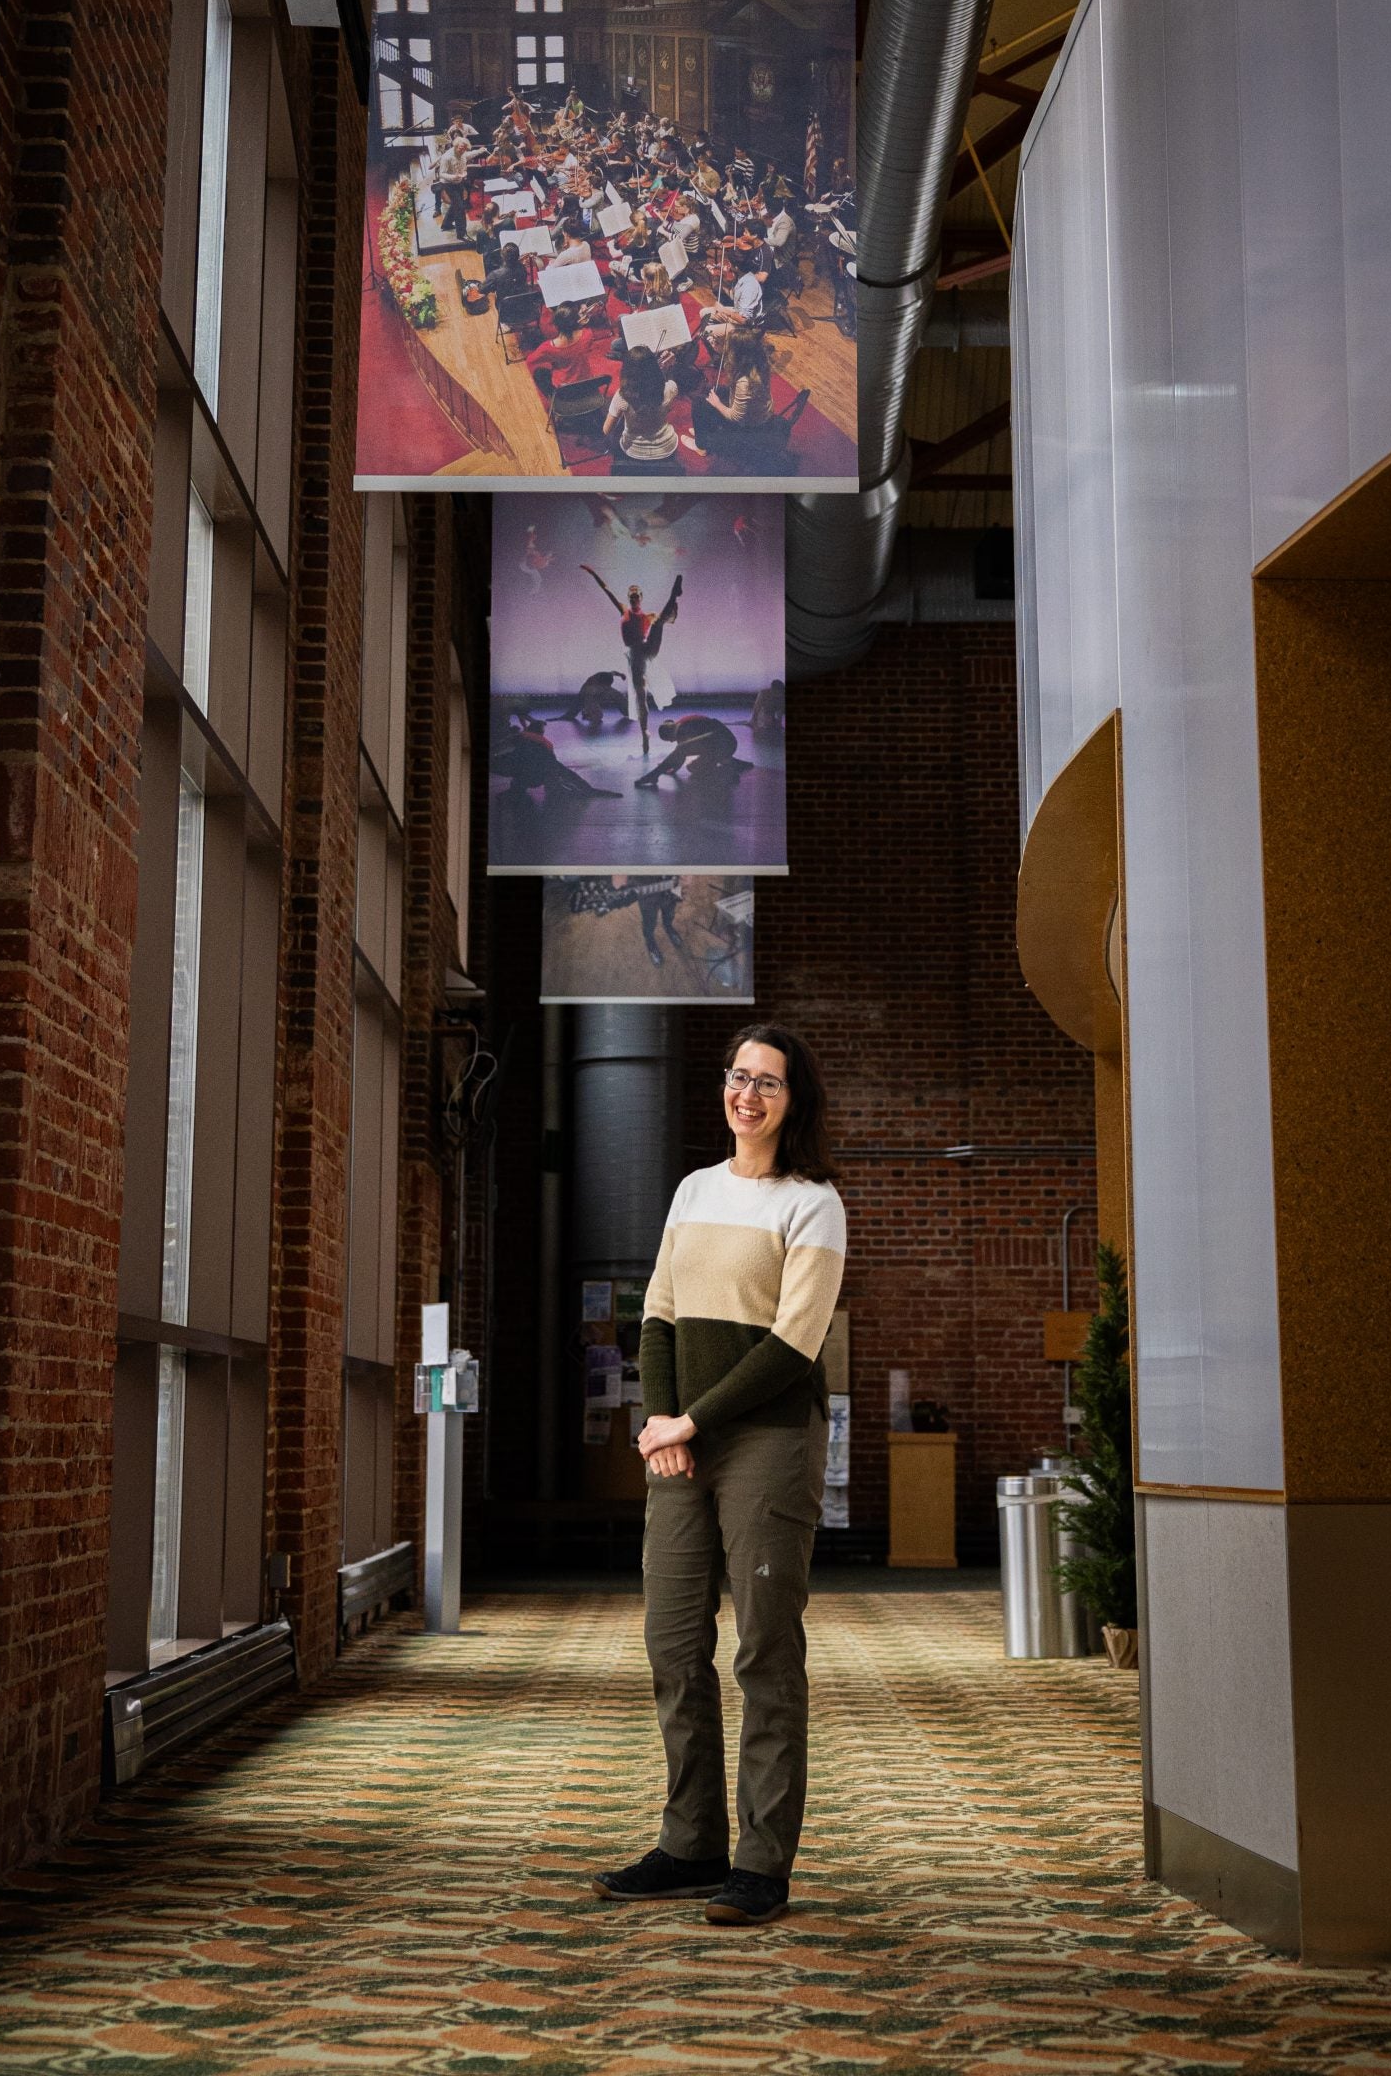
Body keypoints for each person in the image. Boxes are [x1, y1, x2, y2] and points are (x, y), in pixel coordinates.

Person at [593, 1024, 846, 1927]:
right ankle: (689, 1842)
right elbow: (656, 1312)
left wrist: (690, 1420)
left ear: (793, 1101)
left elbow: (792, 1344)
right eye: (738, 1076)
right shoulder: (694, 1190)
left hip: (767, 1440)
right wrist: (661, 1424)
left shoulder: (812, 1203)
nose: (747, 1094)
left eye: (767, 1082)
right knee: (671, 1644)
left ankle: (761, 1863)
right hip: (683, 1443)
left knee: (763, 1652)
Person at [580, 567, 683, 759]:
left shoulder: (648, 616)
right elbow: (607, 590)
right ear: (630, 598)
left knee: (659, 622)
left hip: (648, 649)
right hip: (636, 655)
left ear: (641, 597)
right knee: (640, 695)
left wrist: (673, 610)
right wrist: (594, 574)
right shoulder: (624, 611)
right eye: (632, 596)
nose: (634, 598)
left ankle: (674, 594)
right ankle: (645, 733)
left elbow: (670, 620)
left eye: (637, 595)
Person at [492, 713, 621, 800]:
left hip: (524, 774)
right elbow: (565, 772)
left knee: (523, 767)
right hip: (539, 775)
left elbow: (501, 757)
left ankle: (517, 789)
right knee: (549, 771)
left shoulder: (519, 739)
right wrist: (591, 790)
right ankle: (527, 787)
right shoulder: (545, 745)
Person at [693, 330, 774, 456]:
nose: (727, 350)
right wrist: (717, 347)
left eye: (730, 348)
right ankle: (704, 431)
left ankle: (701, 445)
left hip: (749, 424)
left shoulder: (744, 384)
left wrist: (717, 404)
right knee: (711, 390)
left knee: (699, 404)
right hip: (759, 409)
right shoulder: (759, 362)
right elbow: (729, 359)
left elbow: (735, 417)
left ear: (738, 355)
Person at [634, 712, 753, 789]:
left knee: (682, 748)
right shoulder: (684, 722)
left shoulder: (682, 730)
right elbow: (701, 746)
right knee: (693, 767)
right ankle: (729, 766)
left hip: (723, 742)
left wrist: (668, 768)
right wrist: (673, 768)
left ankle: (654, 774)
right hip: (725, 742)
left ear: (670, 738)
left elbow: (682, 752)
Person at [605, 354, 681, 465]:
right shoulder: (670, 388)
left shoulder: (622, 395)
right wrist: (668, 366)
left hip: (633, 452)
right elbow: (668, 380)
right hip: (667, 447)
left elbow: (606, 430)